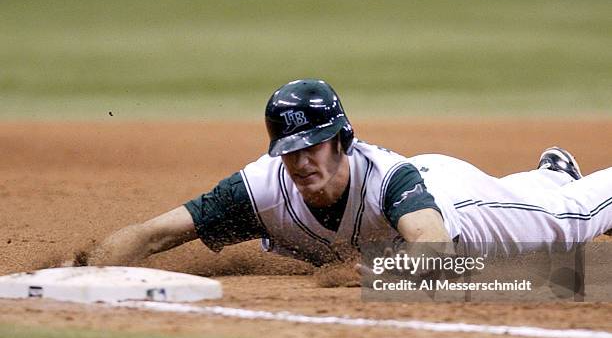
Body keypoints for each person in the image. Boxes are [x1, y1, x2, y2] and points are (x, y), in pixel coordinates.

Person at [75, 79, 612, 269]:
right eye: (290, 149)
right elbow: (154, 234)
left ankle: (560, 186)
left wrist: (379, 273)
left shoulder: (389, 181)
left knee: (565, 223)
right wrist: (83, 272)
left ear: (342, 140)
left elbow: (436, 253)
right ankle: (551, 173)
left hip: (448, 201)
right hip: (417, 209)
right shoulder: (260, 188)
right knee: (542, 194)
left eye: (314, 145)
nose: (302, 160)